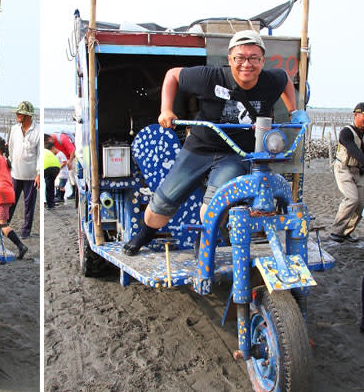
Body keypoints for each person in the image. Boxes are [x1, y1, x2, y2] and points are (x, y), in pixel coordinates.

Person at [122, 30, 303, 256]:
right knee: (163, 203)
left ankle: (204, 236)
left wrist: (295, 111)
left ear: (262, 61)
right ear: (230, 59)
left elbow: (285, 79)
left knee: (214, 203)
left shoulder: (271, 80)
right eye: (240, 58)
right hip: (199, 147)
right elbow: (172, 75)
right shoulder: (210, 77)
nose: (247, 64)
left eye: (254, 58)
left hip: (235, 154)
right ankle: (145, 234)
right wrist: (166, 110)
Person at [328, 103, 364, 243]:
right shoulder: (346, 132)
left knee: (360, 203)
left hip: (359, 170)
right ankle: (336, 231)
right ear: (356, 115)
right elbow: (354, 151)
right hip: (343, 168)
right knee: (352, 199)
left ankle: (346, 232)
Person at [0, 137, 28, 259]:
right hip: (7, 193)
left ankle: (21, 246)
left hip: (2, 194)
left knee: (2, 224)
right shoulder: (4, 159)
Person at [8, 101, 40, 238]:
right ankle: (5, 225)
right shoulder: (14, 129)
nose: (17, 115)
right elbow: (10, 148)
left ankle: (26, 231)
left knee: (29, 205)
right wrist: (9, 164)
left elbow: (40, 155)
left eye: (19, 113)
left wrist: (39, 174)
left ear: (27, 116)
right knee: (11, 201)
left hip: (31, 175)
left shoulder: (37, 130)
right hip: (15, 173)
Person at [45, 132, 76, 199]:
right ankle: (58, 195)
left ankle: (74, 193)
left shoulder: (62, 139)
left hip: (70, 158)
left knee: (71, 176)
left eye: (47, 143)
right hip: (61, 161)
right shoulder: (51, 144)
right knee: (59, 180)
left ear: (50, 138)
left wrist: (70, 161)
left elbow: (72, 150)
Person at [43, 141, 61, 209]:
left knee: (47, 186)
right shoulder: (48, 152)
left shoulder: (42, 151)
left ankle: (47, 202)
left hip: (46, 167)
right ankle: (51, 204)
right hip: (57, 167)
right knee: (50, 185)